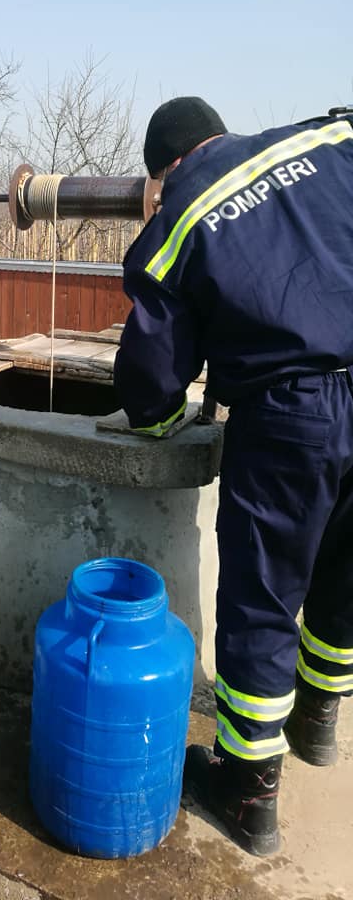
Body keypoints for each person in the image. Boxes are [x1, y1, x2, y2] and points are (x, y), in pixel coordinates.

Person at [112, 96, 353, 856]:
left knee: (262, 598)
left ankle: (249, 794)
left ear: (164, 170)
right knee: (345, 572)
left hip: (292, 417)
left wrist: (156, 421)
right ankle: (318, 726)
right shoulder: (325, 140)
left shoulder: (177, 219)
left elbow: (152, 372)